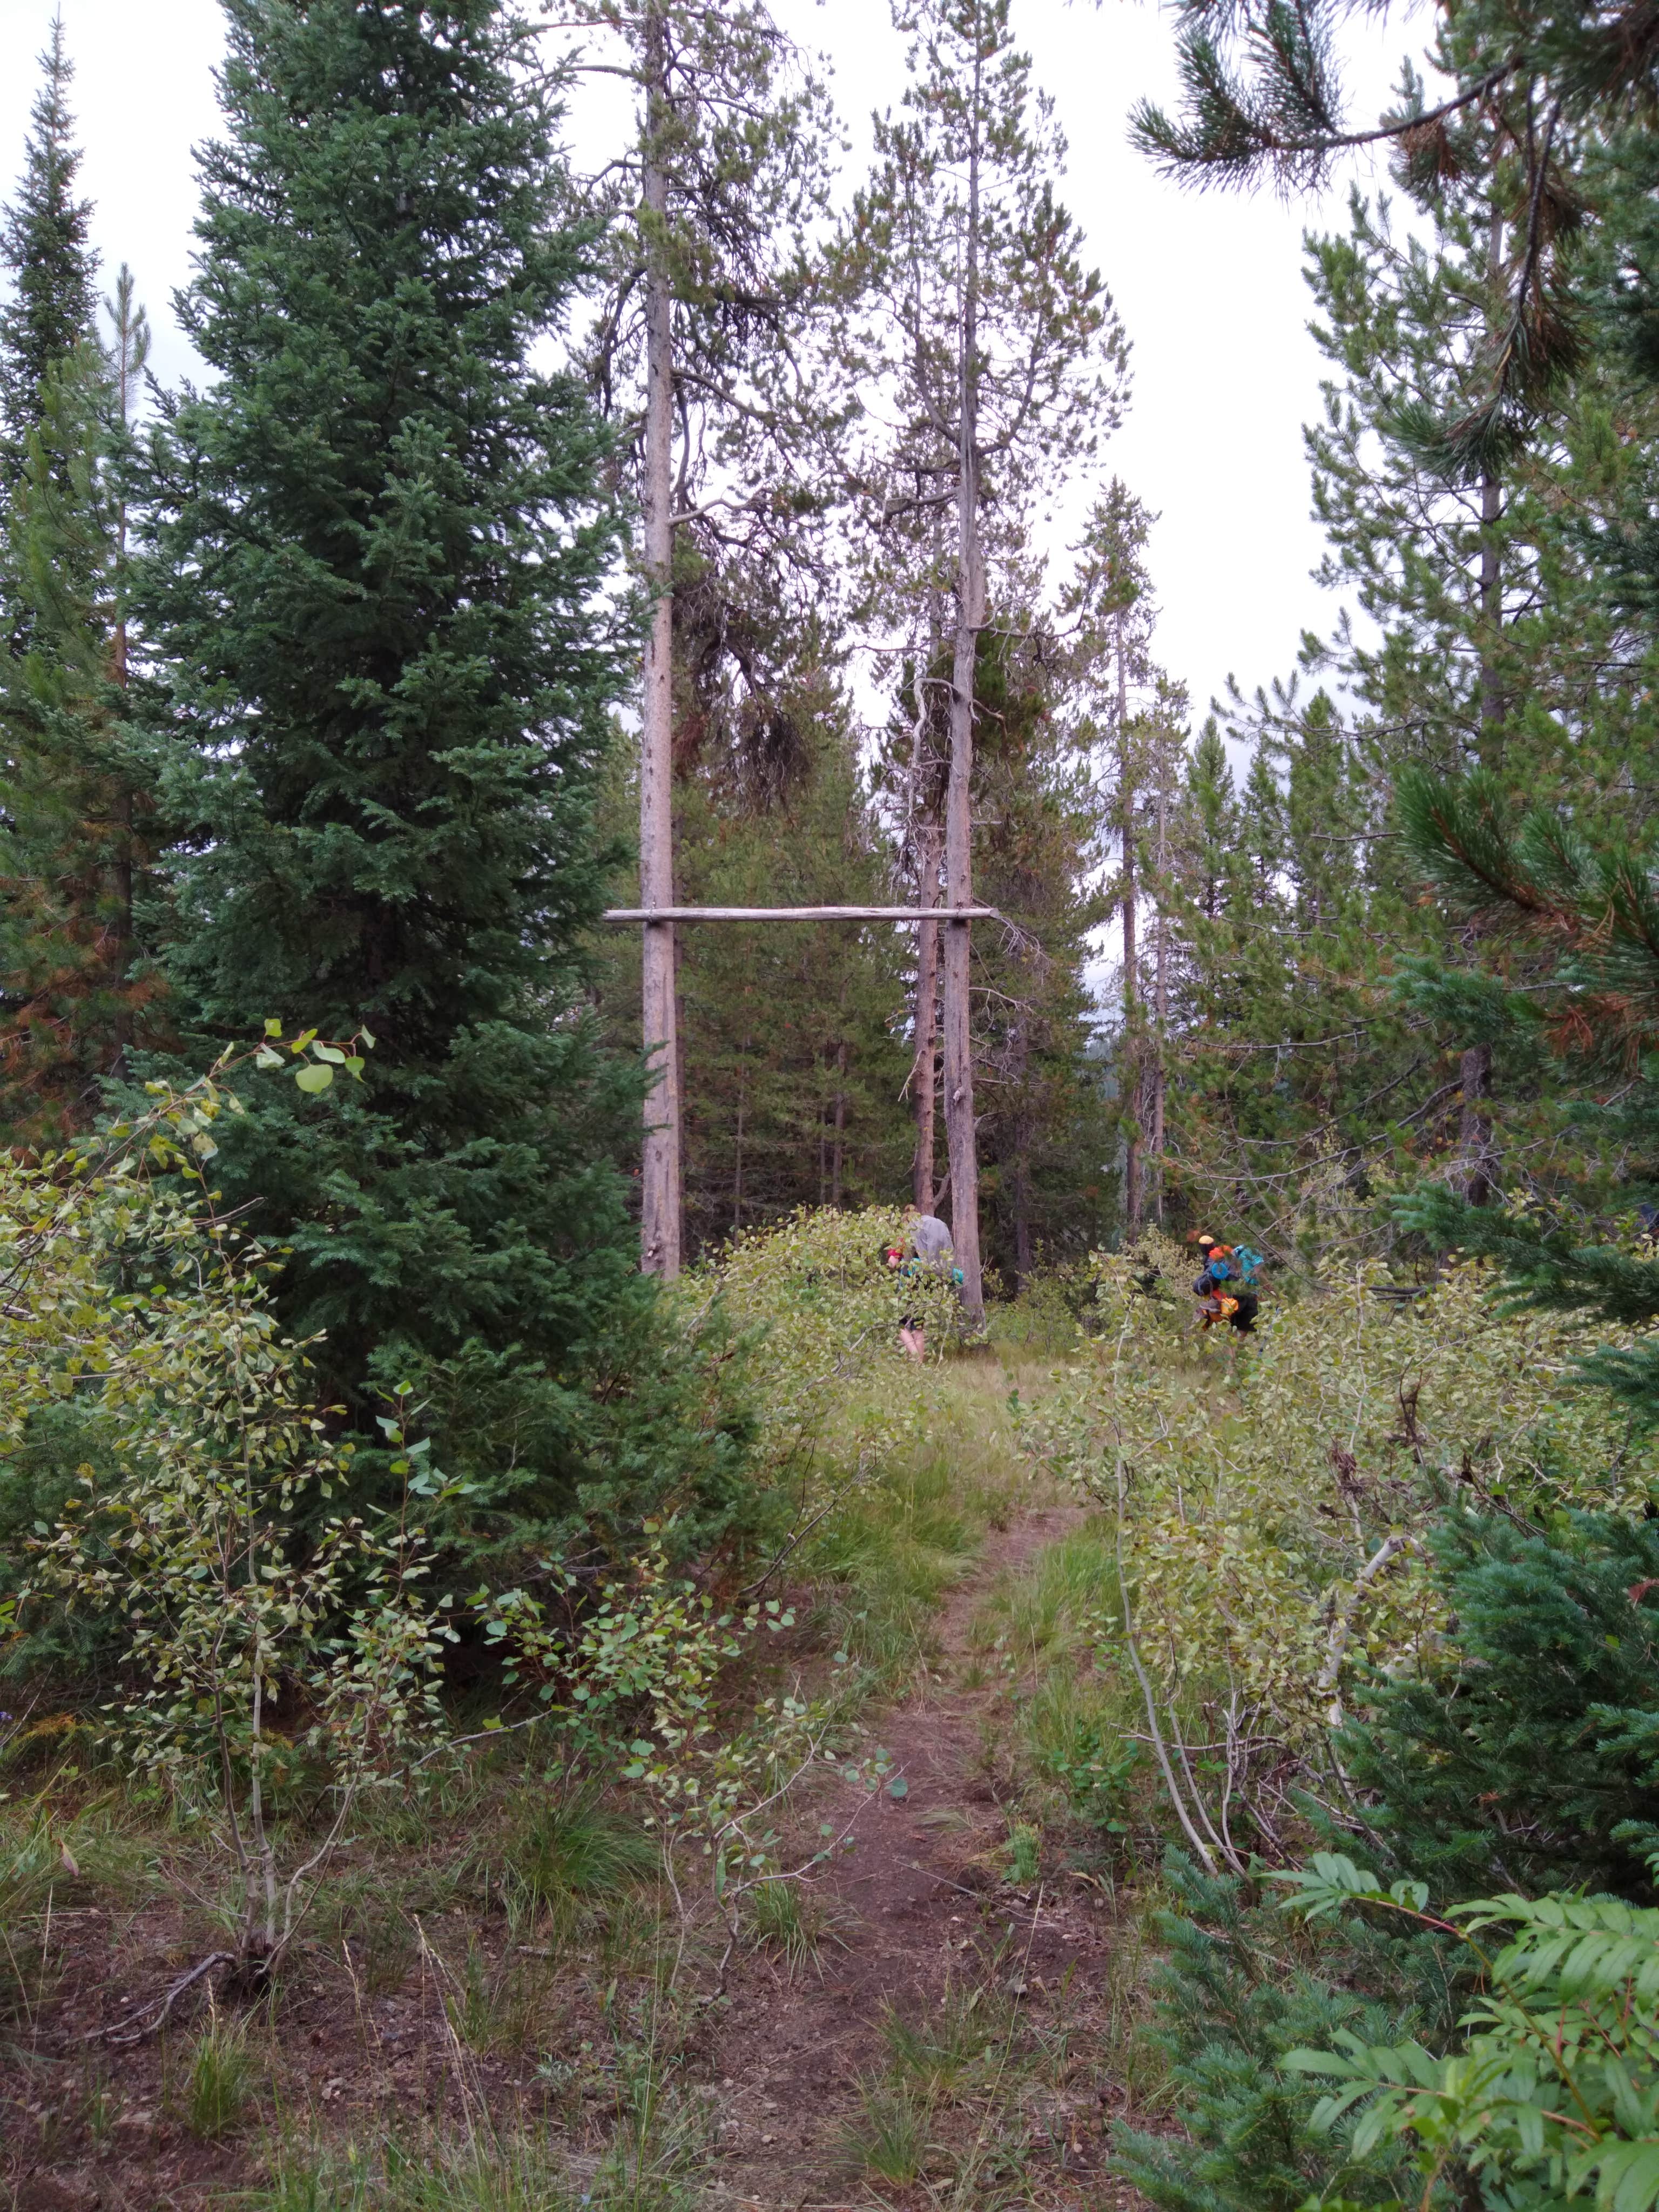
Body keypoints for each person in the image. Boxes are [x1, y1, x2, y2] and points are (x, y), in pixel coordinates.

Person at [885, 1210, 955, 1363]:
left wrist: (888, 1264)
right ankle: (920, 1366)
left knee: (900, 1325)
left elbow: (892, 1263)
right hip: (926, 1284)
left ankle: (916, 1357)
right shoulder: (927, 1235)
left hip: (909, 1285)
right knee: (918, 1327)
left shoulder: (906, 1235)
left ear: (905, 1221)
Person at [1191, 1231, 1261, 1337]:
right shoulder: (1227, 1253)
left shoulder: (1212, 1258)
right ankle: (1233, 1352)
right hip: (1235, 1296)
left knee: (1228, 1331)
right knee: (1239, 1331)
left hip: (1223, 1298)